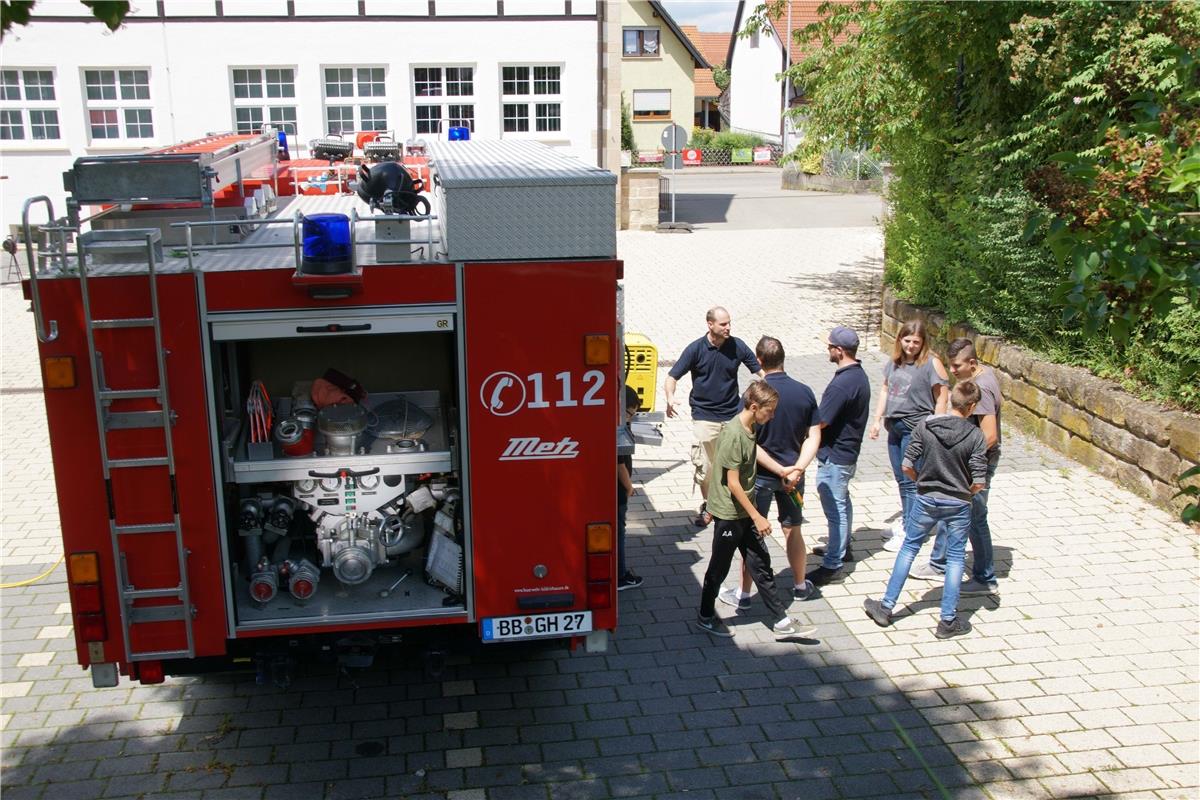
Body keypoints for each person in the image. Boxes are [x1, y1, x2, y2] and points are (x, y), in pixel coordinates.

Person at [863, 381, 988, 639]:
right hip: (958, 503)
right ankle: (947, 621)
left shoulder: (926, 425)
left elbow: (907, 464)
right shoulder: (975, 436)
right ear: (972, 406)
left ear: (951, 399)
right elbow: (979, 481)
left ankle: (886, 607)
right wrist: (965, 492)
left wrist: (921, 480)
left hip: (926, 498)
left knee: (909, 547)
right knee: (955, 559)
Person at [696, 382, 816, 639]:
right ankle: (705, 616)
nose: (772, 416)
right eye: (769, 411)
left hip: (743, 513)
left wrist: (781, 471)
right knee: (719, 567)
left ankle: (781, 622)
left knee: (761, 564)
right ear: (754, 407)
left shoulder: (749, 428)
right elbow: (733, 483)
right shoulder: (734, 435)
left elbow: (750, 463)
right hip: (730, 515)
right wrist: (757, 516)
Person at [718, 336, 821, 611]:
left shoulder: (755, 396)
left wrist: (779, 469)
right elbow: (814, 435)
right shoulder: (805, 392)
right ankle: (800, 585)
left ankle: (744, 593)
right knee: (793, 529)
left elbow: (749, 440)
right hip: (794, 480)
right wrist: (798, 468)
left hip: (760, 477)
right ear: (784, 358)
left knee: (752, 535)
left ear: (759, 361)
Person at [909, 338, 1002, 595]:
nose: (952, 371)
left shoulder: (980, 389)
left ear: (972, 363)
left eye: (957, 366)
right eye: (950, 365)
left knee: (974, 518)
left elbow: (990, 435)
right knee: (950, 508)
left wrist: (963, 457)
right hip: (967, 462)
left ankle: (985, 578)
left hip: (977, 465)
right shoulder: (983, 375)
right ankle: (939, 563)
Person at [664, 306, 763, 527]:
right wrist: (670, 398)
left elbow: (759, 371)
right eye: (723, 324)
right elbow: (672, 376)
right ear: (710, 324)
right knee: (705, 466)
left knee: (734, 463)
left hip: (732, 415)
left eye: (729, 323)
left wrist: (775, 386)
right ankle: (708, 506)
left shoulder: (737, 345)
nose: (728, 327)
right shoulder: (696, 349)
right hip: (704, 416)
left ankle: (731, 504)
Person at [868, 320, 949, 553]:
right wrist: (876, 420)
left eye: (916, 341)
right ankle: (908, 520)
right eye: (907, 340)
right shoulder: (894, 362)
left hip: (917, 427)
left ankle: (913, 531)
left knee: (912, 480)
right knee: (901, 479)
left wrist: (937, 427)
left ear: (923, 342)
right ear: (900, 340)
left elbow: (942, 396)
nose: (911, 346)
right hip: (894, 427)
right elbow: (885, 389)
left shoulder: (931, 363)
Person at [806, 326, 871, 585]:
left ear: (839, 350)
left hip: (836, 455)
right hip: (848, 451)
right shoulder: (859, 375)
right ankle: (842, 546)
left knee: (835, 508)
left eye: (830, 346)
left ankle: (833, 563)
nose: (828, 350)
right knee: (842, 501)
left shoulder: (842, 384)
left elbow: (821, 422)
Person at [617, 385, 644, 591]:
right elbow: (619, 465)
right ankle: (620, 575)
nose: (630, 418)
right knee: (619, 532)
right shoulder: (616, 429)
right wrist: (628, 487)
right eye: (629, 413)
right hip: (617, 489)